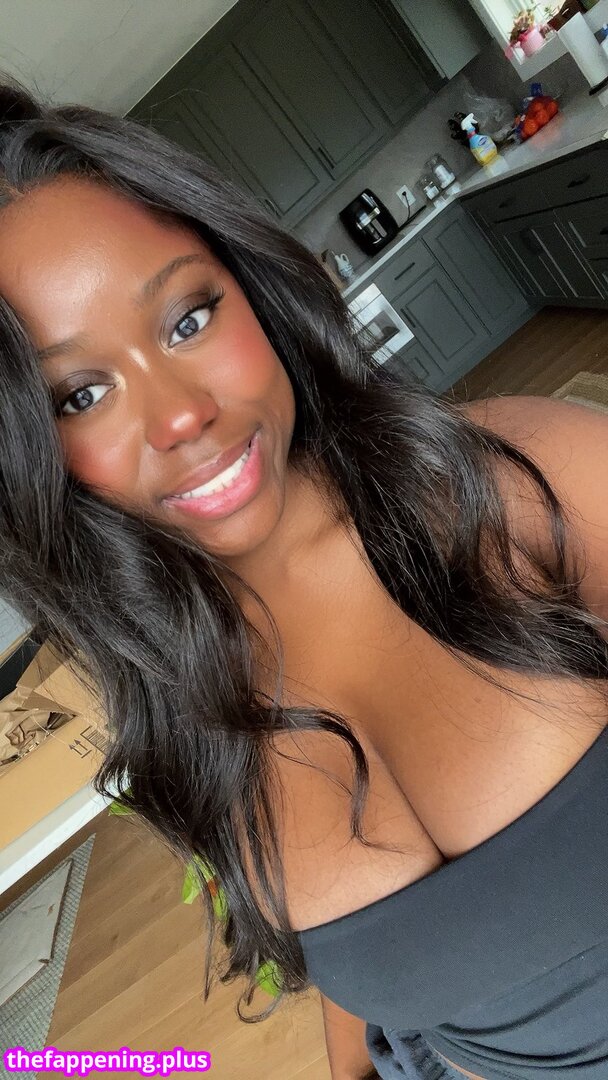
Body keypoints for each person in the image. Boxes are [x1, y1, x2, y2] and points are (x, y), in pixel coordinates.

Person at [0, 73, 607, 1080]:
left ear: (251, 287)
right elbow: (364, 970)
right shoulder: (181, 709)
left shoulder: (525, 483)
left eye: (187, 320)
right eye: (80, 395)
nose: (179, 414)